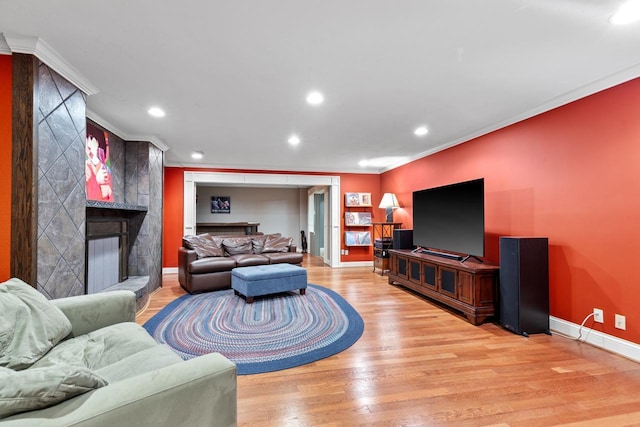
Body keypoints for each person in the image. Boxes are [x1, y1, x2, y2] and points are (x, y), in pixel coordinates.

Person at [85, 134, 113, 201]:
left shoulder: (103, 168)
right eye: (88, 148)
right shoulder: (86, 168)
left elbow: (109, 195)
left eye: (94, 148)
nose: (91, 152)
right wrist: (97, 180)